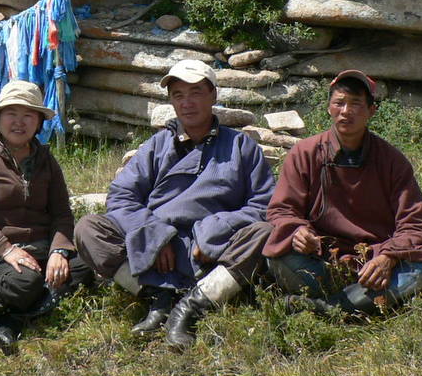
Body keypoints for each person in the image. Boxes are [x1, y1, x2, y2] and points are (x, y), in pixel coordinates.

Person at [74, 60, 277, 348]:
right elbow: (121, 196)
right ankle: (156, 297)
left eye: (195, 93)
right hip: (157, 253)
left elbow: (264, 204)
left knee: (264, 233)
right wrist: (155, 235)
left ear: (213, 95)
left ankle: (192, 306)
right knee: (88, 228)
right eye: (178, 95)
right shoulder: (158, 145)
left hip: (211, 253)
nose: (187, 103)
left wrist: (213, 233)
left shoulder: (241, 146)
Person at [264, 70, 422, 317]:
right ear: (329, 108)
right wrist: (298, 231)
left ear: (372, 111)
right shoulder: (305, 153)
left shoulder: (392, 161)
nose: (346, 111)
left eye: (356, 104)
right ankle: (359, 304)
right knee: (276, 248)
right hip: (321, 262)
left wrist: (388, 258)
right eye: (339, 103)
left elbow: (415, 226)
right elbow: (282, 209)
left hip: (372, 267)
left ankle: (329, 308)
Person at [0, 80, 94, 351]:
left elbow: (62, 212)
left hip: (36, 248)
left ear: (39, 122)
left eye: (28, 115)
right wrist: (6, 249)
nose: (19, 122)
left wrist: (59, 251)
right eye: (11, 113)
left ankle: (10, 318)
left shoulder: (45, 159)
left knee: (83, 266)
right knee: (26, 280)